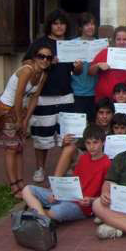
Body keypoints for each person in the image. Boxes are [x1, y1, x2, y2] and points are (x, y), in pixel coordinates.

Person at [0, 45, 50, 198]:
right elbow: (18, 96)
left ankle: (21, 183)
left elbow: (34, 97)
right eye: (42, 56)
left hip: (21, 111)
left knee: (19, 148)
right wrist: (19, 120)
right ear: (34, 57)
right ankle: (14, 187)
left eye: (48, 58)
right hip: (8, 109)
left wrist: (26, 119)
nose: (45, 60)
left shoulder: (43, 75)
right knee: (11, 148)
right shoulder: (27, 70)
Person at [24, 10, 81, 183]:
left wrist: (78, 66)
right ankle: (40, 168)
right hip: (44, 96)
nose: (59, 26)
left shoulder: (70, 44)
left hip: (66, 94)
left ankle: (70, 166)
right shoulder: (40, 43)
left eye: (62, 23)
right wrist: (47, 63)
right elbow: (26, 63)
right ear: (50, 25)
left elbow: (76, 71)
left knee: (69, 135)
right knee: (42, 136)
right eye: (56, 23)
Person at [22, 124, 111, 223]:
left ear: (103, 142)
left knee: (56, 212)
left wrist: (91, 200)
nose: (92, 146)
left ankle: (39, 215)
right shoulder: (83, 158)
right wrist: (57, 193)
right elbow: (73, 182)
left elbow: (105, 195)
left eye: (95, 143)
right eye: (88, 143)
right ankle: (43, 218)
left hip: (82, 206)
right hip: (67, 197)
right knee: (27, 190)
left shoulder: (107, 164)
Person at [53, 98, 114, 177]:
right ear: (96, 114)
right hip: (87, 158)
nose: (104, 116)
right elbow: (75, 148)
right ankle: (56, 182)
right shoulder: (86, 126)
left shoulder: (116, 128)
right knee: (69, 148)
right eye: (101, 113)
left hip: (107, 161)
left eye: (108, 113)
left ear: (113, 114)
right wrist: (65, 143)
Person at [89, 26, 126, 103]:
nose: (121, 42)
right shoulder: (105, 52)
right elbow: (90, 73)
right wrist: (97, 65)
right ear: (114, 40)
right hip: (104, 100)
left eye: (125, 39)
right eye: (118, 39)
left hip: (125, 100)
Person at [71, 12, 98, 122]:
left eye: (92, 24)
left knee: (93, 125)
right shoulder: (72, 44)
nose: (90, 27)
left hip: (95, 92)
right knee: (78, 125)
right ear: (80, 28)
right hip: (77, 92)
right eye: (86, 24)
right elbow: (69, 69)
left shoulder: (100, 44)